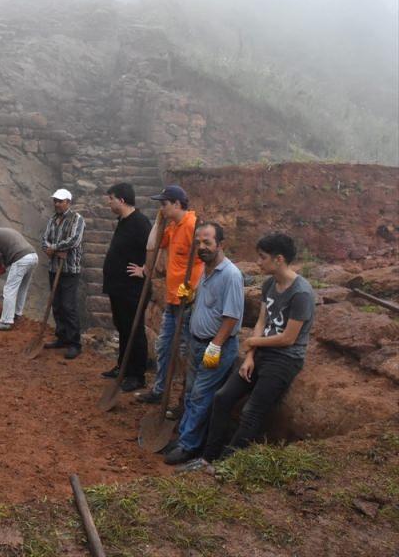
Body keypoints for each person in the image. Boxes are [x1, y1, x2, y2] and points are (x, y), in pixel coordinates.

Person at [180, 233, 315, 472]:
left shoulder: (301, 293)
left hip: (285, 360)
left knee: (251, 411)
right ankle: (208, 457)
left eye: (263, 258)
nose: (258, 263)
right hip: (262, 353)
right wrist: (250, 356)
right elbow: (262, 321)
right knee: (222, 398)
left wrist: (253, 342)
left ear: (279, 259)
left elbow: (288, 338)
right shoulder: (269, 284)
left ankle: (227, 464)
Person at [163, 222, 244, 465]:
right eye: (198, 242)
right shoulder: (205, 271)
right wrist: (191, 296)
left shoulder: (230, 275)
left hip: (215, 347)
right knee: (190, 393)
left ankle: (189, 446)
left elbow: (231, 317)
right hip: (198, 344)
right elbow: (208, 306)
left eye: (207, 242)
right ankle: (186, 436)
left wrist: (216, 345)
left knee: (200, 395)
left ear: (220, 244)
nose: (202, 247)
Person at [134, 185, 203, 404]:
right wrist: (158, 221)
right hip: (173, 300)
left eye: (164, 204)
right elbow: (152, 244)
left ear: (177, 203)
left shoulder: (193, 225)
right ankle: (159, 390)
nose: (161, 208)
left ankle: (186, 398)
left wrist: (195, 290)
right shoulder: (173, 226)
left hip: (190, 302)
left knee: (185, 352)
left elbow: (209, 260)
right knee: (163, 347)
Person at [101, 182, 153, 391]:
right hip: (119, 286)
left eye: (111, 198)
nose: (109, 202)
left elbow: (154, 249)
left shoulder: (140, 222)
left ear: (121, 200)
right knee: (122, 326)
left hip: (133, 288)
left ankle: (136, 375)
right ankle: (123, 366)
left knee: (134, 329)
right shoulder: (124, 221)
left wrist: (145, 269)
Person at [40, 188, 85, 359]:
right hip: (54, 267)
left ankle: (75, 343)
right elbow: (44, 239)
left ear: (68, 202)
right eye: (55, 201)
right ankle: (62, 337)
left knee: (68, 305)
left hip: (69, 269)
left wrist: (55, 248)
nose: (57, 204)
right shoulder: (52, 219)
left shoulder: (77, 219)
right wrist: (49, 249)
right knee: (56, 304)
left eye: (60, 201)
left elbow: (74, 240)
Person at [0, 218, 38, 331]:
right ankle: (17, 314)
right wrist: (1, 269)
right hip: (33, 256)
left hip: (21, 259)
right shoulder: (2, 231)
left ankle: (5, 321)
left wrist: (0, 269)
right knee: (22, 288)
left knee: (9, 289)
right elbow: (9, 254)